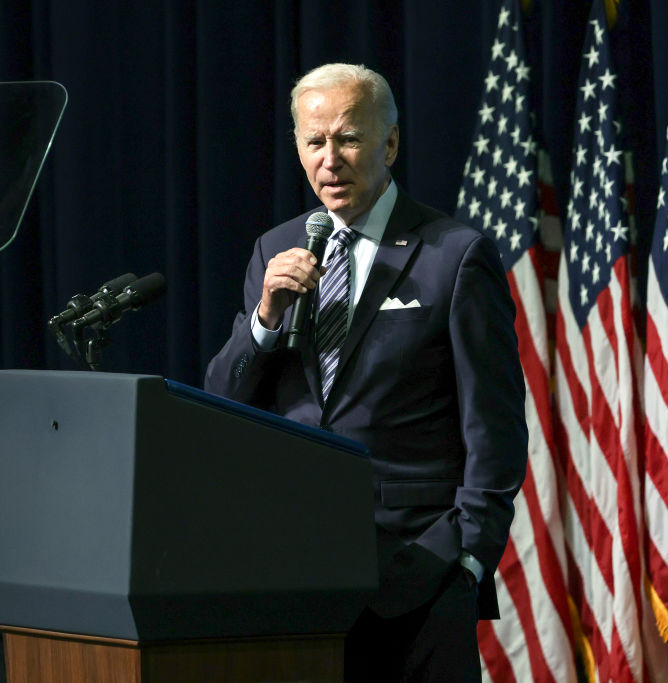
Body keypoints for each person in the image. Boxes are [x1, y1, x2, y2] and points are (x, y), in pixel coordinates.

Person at [204, 63, 528, 682]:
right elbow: (222, 401)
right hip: (293, 575)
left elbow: (496, 425)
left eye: (348, 138)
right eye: (315, 141)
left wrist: (466, 559)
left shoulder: (453, 255)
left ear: (391, 143)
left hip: (417, 572)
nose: (331, 159)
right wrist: (265, 320)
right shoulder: (275, 249)